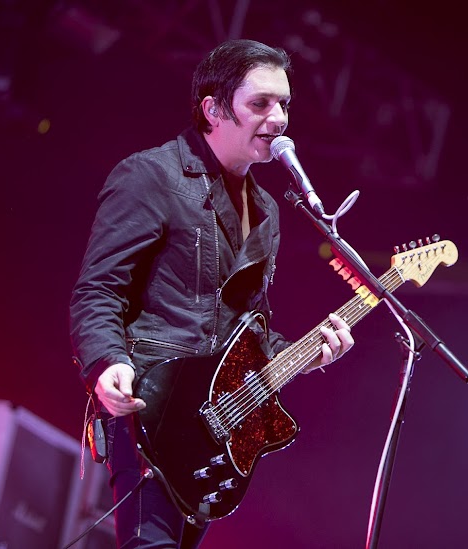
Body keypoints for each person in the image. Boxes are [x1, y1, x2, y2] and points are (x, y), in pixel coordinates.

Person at [69, 39, 355, 548]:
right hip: (152, 403)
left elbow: (248, 329)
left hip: (212, 424)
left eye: (284, 104)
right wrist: (106, 361)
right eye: (260, 103)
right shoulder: (151, 176)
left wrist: (308, 353)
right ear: (213, 109)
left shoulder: (267, 209)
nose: (279, 118)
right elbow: (97, 289)